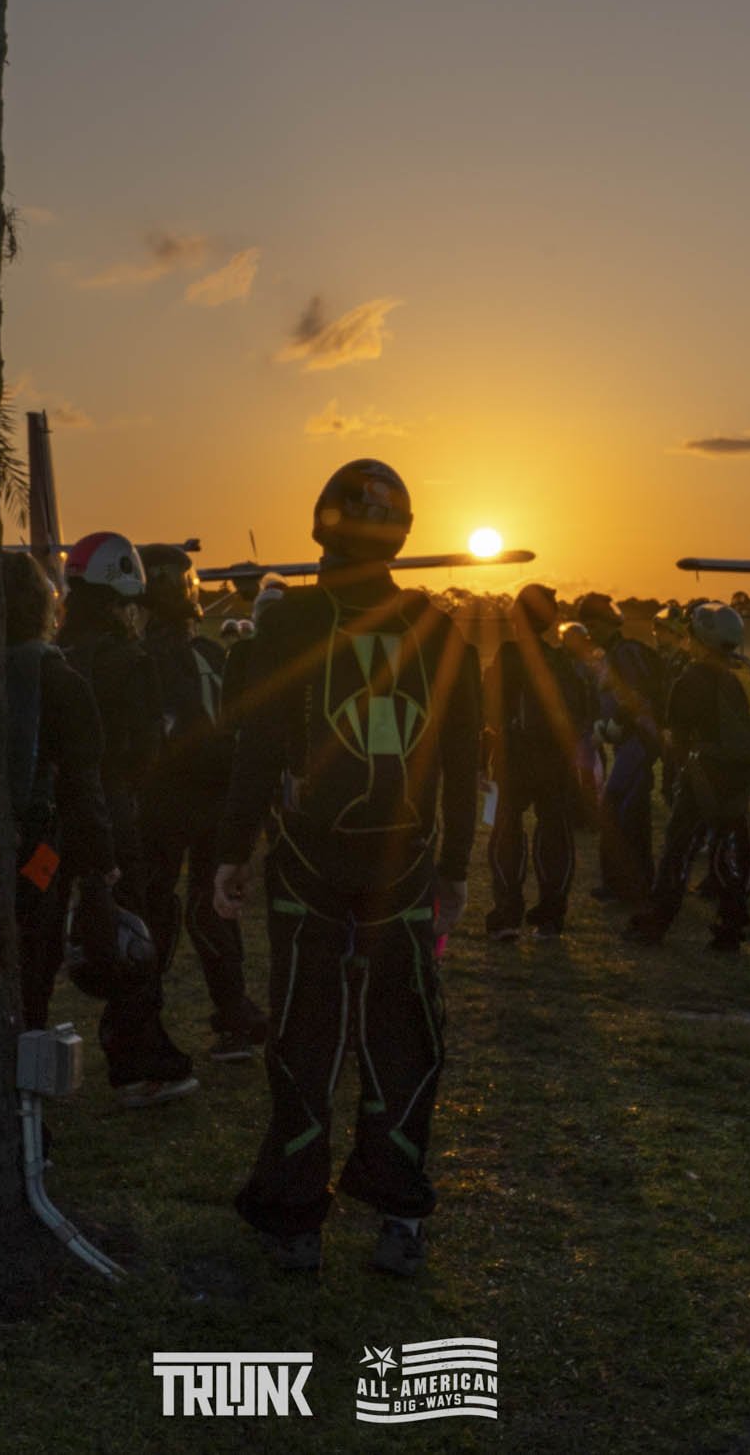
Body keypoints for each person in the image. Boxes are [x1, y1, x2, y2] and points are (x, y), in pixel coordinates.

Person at [214, 459, 479, 1277]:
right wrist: (458, 866)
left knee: (305, 1032)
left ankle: (295, 1217)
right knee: (404, 1030)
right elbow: (466, 761)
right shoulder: (441, 629)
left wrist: (231, 848)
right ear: (402, 529)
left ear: (322, 523)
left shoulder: (289, 621)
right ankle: (399, 1211)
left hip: (307, 864)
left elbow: (257, 747)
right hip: (406, 868)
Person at [58, 531, 198, 1106]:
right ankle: (139, 1060)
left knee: (46, 939)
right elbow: (145, 752)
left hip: (55, 809)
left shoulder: (58, 654)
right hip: (115, 808)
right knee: (134, 931)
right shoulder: (129, 660)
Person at [137, 543, 267, 1061]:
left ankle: (145, 1016)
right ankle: (233, 1012)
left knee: (155, 909)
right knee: (213, 909)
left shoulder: (144, 660)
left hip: (162, 803)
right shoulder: (213, 654)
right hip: (217, 801)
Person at [3, 550, 119, 1029]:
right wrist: (100, 862)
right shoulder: (59, 680)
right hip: (36, 850)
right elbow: (82, 782)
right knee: (34, 960)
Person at [629, 602, 750, 949]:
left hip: (703, 772)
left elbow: (676, 734)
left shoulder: (692, 678)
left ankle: (657, 920)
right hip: (741, 773)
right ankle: (731, 924)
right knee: (732, 845)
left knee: (680, 846)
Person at [484, 583, 590, 940]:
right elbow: (584, 710)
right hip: (556, 762)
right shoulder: (561, 662)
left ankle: (508, 914)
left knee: (506, 834)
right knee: (555, 834)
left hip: (512, 759)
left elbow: (490, 706)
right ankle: (550, 916)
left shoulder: (509, 656)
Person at [583, 593, 665, 905]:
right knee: (630, 814)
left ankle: (628, 886)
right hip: (629, 744)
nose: (591, 632)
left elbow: (636, 697)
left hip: (636, 743)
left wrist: (616, 725)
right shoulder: (613, 652)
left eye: (594, 625)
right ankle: (629, 884)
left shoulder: (624, 654)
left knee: (621, 814)